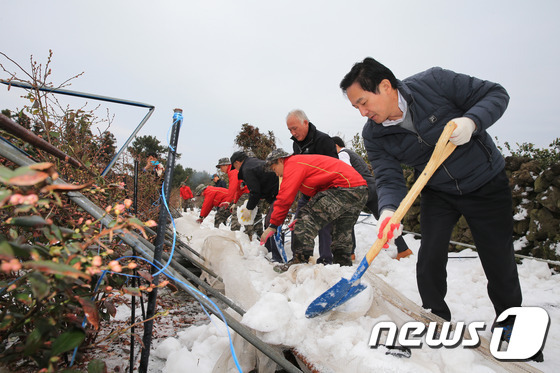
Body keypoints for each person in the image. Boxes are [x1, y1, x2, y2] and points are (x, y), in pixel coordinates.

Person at [339, 58, 522, 327]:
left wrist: (472, 122)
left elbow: (496, 93)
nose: (362, 112)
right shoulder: (374, 135)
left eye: (363, 102)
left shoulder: (434, 83)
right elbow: (388, 177)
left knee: (498, 260)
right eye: (356, 107)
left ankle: (511, 324)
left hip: (484, 181)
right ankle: (434, 317)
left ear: (386, 86)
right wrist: (389, 210)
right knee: (429, 259)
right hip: (437, 190)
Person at [261, 149, 368, 272]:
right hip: (359, 190)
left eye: (275, 169)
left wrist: (274, 225)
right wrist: (301, 221)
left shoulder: (292, 163)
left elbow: (285, 197)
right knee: (340, 232)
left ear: (280, 160)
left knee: (306, 217)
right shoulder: (304, 164)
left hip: (345, 187)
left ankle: (299, 262)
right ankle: (343, 269)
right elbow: (320, 194)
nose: (277, 174)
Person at [331, 136, 412, 260]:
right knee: (384, 221)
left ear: (336, 146)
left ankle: (349, 253)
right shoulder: (352, 153)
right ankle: (403, 250)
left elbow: (346, 171)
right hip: (373, 187)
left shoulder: (342, 154)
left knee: (347, 219)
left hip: (360, 189)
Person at [286, 109, 338, 264]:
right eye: (289, 130)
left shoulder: (323, 140)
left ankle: (326, 261)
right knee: (298, 222)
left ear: (305, 122)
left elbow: (335, 168)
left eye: (295, 128)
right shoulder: (296, 146)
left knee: (323, 225)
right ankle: (299, 258)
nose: (293, 132)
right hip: (308, 192)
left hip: (325, 191)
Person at [231, 150, 282, 261]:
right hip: (276, 192)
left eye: (234, 167)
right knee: (269, 222)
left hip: (280, 192)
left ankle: (277, 257)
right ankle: (269, 251)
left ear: (236, 163)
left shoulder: (247, 169)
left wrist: (248, 208)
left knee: (272, 223)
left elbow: (255, 192)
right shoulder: (253, 162)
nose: (236, 169)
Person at [215, 157, 249, 232]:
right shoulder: (233, 171)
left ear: (226, 165)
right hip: (247, 192)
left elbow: (232, 187)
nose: (221, 170)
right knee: (249, 214)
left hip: (247, 192)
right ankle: (253, 235)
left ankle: (234, 234)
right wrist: (235, 202)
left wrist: (228, 201)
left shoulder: (232, 171)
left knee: (237, 212)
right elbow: (237, 190)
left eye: (221, 167)